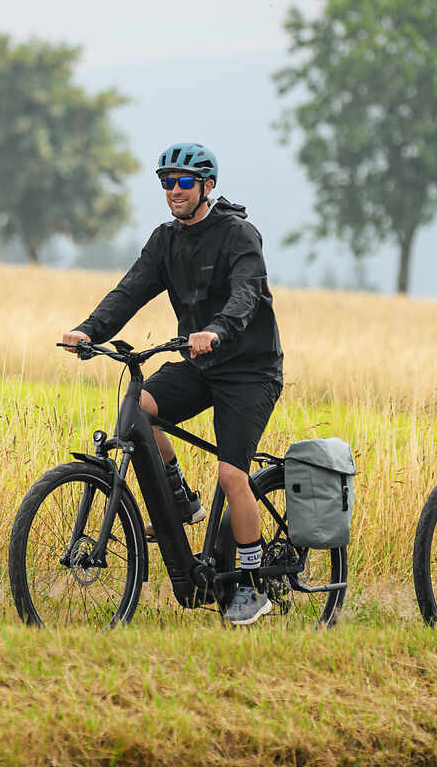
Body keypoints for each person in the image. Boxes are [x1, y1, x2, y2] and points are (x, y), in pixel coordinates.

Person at [61, 143, 285, 626]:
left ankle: (250, 585)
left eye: (184, 182)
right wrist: (89, 331)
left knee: (232, 475)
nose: (174, 190)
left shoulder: (238, 235)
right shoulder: (165, 241)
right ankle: (181, 497)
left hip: (249, 371)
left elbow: (248, 293)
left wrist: (218, 330)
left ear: (207, 187)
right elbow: (130, 291)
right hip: (199, 364)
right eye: (166, 182)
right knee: (138, 405)